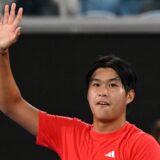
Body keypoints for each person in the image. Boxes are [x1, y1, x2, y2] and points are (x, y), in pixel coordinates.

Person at [0, 3, 160, 160]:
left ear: (129, 96)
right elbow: (11, 105)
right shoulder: (69, 133)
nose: (103, 92)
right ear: (88, 94)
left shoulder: (142, 145)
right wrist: (2, 52)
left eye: (112, 85)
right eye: (96, 85)